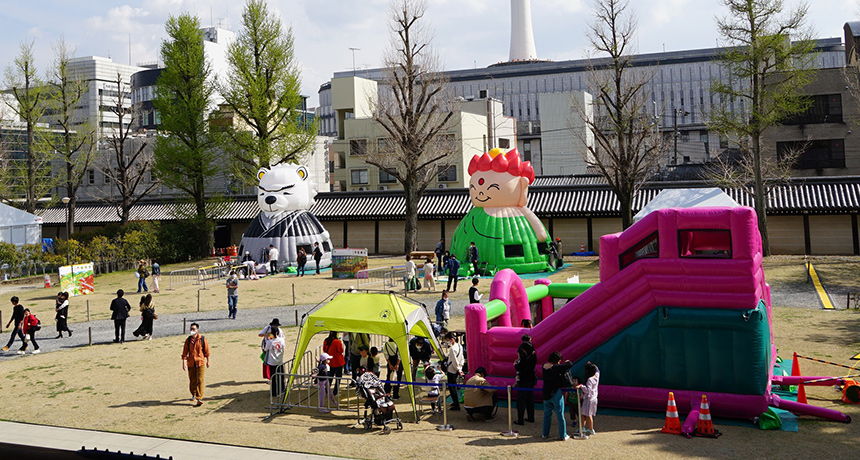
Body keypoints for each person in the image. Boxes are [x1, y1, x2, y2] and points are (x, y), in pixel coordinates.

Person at [542, 351, 573, 441]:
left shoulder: (544, 366)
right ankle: (563, 435)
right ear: (557, 360)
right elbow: (570, 364)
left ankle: (545, 434)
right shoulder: (556, 368)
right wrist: (567, 361)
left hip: (546, 393)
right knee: (560, 415)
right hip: (556, 393)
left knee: (547, 415)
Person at [182, 322, 210, 407]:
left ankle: (199, 398)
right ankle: (193, 394)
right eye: (191, 329)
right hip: (191, 363)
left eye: (193, 329)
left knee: (200, 380)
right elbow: (184, 353)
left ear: (197, 330)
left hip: (200, 362)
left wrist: (208, 361)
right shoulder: (188, 340)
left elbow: (206, 351)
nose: (192, 330)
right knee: (192, 380)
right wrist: (183, 363)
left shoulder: (202, 339)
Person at [514, 334, 537, 425]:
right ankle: (531, 417)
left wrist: (515, 364)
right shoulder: (533, 356)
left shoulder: (523, 354)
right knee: (530, 399)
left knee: (521, 400)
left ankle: (520, 419)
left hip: (523, 379)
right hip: (531, 378)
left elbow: (519, 367)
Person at [263, 325, 287, 397]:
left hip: (272, 362)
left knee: (273, 377)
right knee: (281, 376)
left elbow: (265, 349)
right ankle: (282, 390)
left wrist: (267, 339)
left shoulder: (270, 342)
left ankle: (274, 392)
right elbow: (283, 346)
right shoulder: (282, 340)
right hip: (279, 360)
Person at [577, 361, 600, 435]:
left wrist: (581, 386)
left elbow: (588, 390)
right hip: (593, 398)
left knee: (588, 414)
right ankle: (583, 427)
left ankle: (591, 429)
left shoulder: (590, 379)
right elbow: (597, 370)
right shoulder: (596, 376)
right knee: (583, 413)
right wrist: (591, 365)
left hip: (589, 399)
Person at [444, 332, 465, 411]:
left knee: (452, 388)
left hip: (452, 370)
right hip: (457, 368)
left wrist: (459, 369)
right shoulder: (460, 346)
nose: (447, 342)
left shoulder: (453, 349)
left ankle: (456, 404)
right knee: (453, 386)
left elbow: (454, 361)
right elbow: (461, 358)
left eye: (448, 340)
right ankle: (455, 402)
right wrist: (460, 367)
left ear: (452, 340)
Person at [322, 331, 345, 396]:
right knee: (338, 378)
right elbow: (341, 351)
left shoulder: (326, 340)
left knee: (330, 377)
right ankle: (335, 391)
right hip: (338, 362)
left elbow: (324, 350)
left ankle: (326, 390)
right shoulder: (337, 342)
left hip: (330, 362)